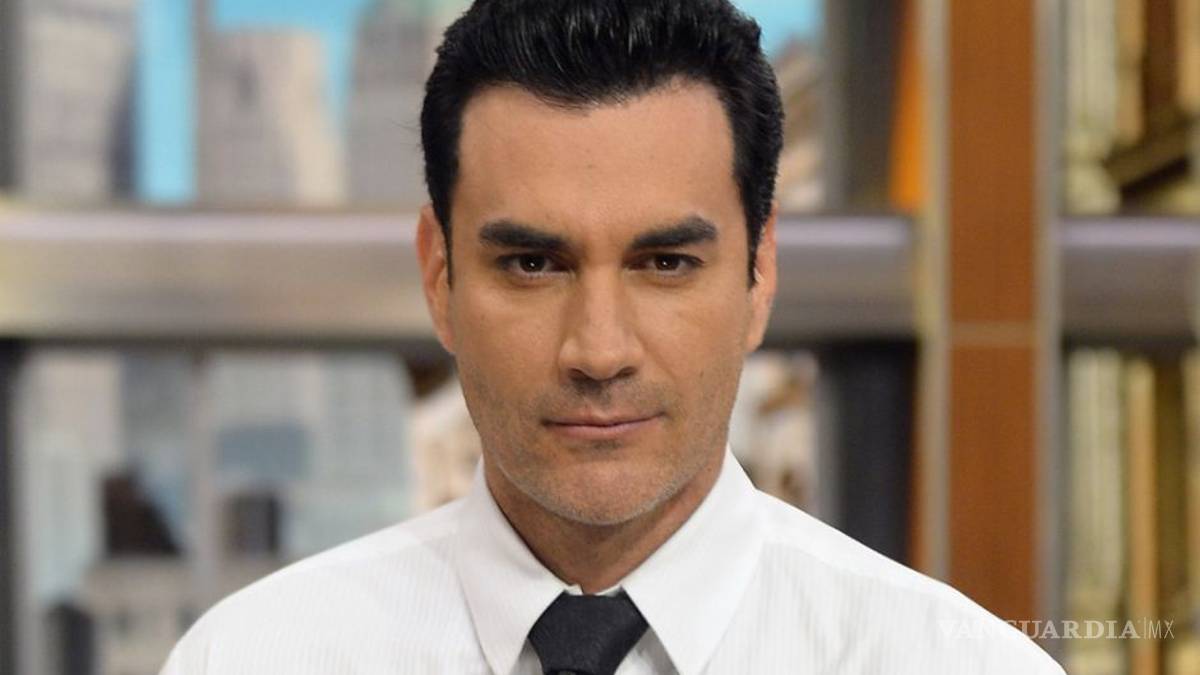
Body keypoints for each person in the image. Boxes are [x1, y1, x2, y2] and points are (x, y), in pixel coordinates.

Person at [161, 1, 1066, 673]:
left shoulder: (955, 663)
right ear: (439, 275)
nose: (598, 351)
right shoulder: (249, 658)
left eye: (665, 263)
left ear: (760, 274)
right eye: (532, 264)